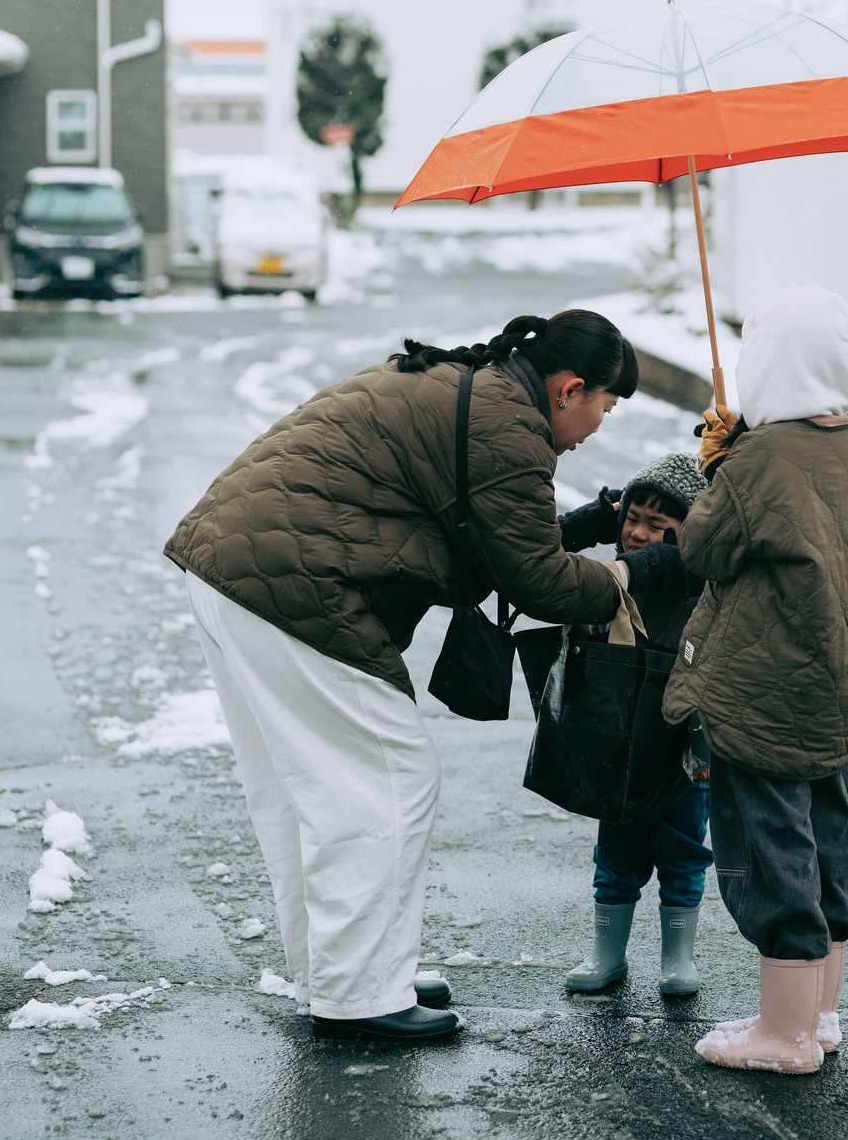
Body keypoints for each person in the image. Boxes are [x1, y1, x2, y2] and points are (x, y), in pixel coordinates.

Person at [166, 311, 637, 1046]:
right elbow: (537, 580)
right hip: (291, 582)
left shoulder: (477, 390)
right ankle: (356, 993)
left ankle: (347, 972)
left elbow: (482, 528)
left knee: (307, 793)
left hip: (237, 565)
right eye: (604, 410)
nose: (596, 428)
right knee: (388, 776)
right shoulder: (508, 425)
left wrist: (578, 528)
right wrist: (630, 580)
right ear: (570, 389)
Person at [663, 286, 848, 1074]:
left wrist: (720, 466)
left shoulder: (762, 457)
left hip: (762, 692)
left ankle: (785, 1034)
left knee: (767, 852)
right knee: (827, 840)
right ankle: (818, 1013)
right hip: (837, 682)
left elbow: (703, 548)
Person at [556, 453, 711, 998]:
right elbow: (552, 542)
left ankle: (677, 958)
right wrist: (603, 515)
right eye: (632, 519)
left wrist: (626, 564)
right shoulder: (616, 569)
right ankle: (608, 954)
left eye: (657, 524)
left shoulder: (696, 573)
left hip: (683, 740)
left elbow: (668, 564)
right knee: (616, 845)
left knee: (683, 845)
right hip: (620, 738)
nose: (639, 535)